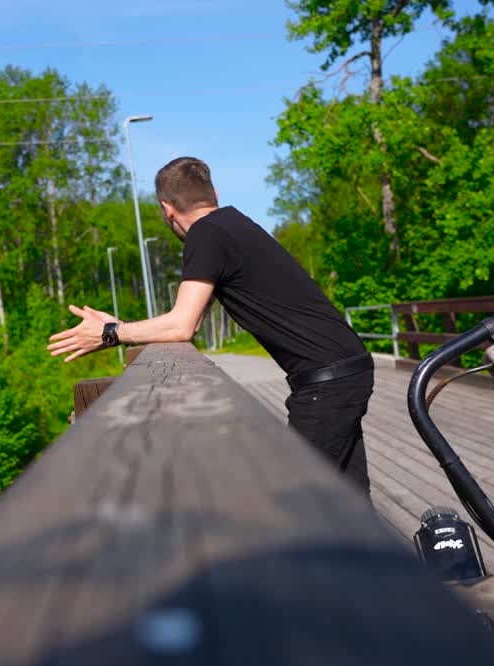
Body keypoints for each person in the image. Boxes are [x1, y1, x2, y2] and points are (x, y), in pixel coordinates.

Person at [47, 156, 375, 495]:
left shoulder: (204, 235)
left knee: (292, 501)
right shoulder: (232, 225)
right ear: (214, 193)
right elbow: (186, 318)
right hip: (346, 368)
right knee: (347, 501)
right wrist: (121, 326)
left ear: (167, 209)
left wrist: (111, 333)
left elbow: (181, 326)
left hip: (327, 381)